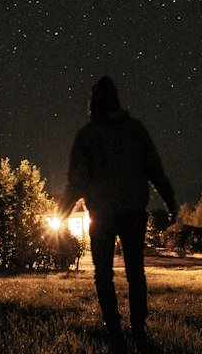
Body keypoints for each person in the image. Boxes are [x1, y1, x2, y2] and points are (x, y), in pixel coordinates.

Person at [56, 75, 177, 339]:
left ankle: (112, 325)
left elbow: (76, 181)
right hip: (133, 211)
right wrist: (171, 202)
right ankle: (138, 326)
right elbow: (154, 170)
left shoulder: (87, 136)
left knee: (103, 274)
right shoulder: (135, 130)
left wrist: (61, 212)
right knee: (136, 271)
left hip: (101, 215)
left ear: (93, 104)